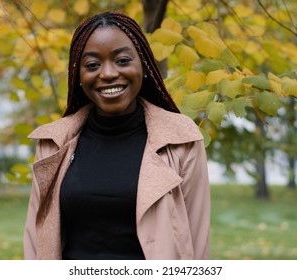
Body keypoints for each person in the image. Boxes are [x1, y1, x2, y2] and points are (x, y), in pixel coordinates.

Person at [24, 11, 210, 260]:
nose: (108, 73)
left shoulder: (181, 141)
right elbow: (36, 242)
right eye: (92, 65)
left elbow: (197, 242)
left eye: (122, 60)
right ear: (77, 76)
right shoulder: (53, 144)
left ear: (144, 67)